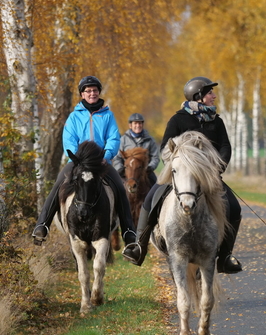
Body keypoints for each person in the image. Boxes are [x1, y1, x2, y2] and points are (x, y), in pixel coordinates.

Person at [122, 77, 243, 274]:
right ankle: (138, 246)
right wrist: (178, 165)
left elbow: (225, 147)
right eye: (210, 92)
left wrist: (217, 168)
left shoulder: (217, 121)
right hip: (180, 176)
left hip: (209, 176)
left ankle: (225, 257)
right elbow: (165, 149)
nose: (213, 96)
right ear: (199, 96)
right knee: (151, 199)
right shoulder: (178, 119)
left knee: (235, 208)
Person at [31, 76, 137, 247]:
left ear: (99, 92)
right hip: (79, 162)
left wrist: (106, 156)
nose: (92, 93)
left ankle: (129, 232)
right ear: (82, 94)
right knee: (59, 183)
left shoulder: (108, 115)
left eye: (95, 90)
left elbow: (113, 138)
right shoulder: (74, 117)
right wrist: (75, 158)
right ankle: (42, 225)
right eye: (88, 91)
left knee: (119, 187)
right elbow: (69, 139)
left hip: (101, 162)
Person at [112, 113, 160, 187]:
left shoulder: (150, 140)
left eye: (140, 123)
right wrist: (120, 169)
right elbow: (117, 157)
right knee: (115, 186)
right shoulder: (123, 140)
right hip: (127, 172)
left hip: (145, 172)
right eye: (135, 123)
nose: (138, 126)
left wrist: (149, 168)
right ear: (130, 125)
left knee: (156, 185)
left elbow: (155, 157)